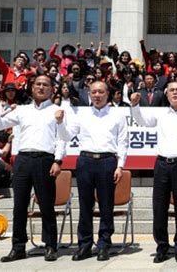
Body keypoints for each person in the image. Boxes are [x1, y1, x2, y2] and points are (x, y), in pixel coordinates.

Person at [0, 74, 66, 262]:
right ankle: (18, 247)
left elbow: (62, 138)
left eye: (45, 85)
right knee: (19, 206)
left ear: (51, 89)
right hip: (23, 160)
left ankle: (50, 246)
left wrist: (58, 161)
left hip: (45, 160)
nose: (41, 87)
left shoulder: (57, 110)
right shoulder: (22, 110)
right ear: (32, 88)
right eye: (38, 84)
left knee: (47, 205)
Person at [129, 81, 177, 264]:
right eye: (171, 90)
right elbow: (142, 121)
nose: (175, 93)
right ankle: (162, 247)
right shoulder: (160, 113)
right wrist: (135, 105)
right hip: (161, 164)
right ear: (166, 94)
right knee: (159, 208)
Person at [56, 81, 128, 261]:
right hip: (85, 161)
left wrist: (120, 166)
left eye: (100, 92)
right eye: (93, 92)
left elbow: (123, 142)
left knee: (106, 205)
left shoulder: (117, 115)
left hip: (107, 161)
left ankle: (104, 244)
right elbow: (66, 136)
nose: (97, 95)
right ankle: (84, 245)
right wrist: (59, 123)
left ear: (107, 93)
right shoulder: (81, 114)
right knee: (85, 204)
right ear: (89, 94)